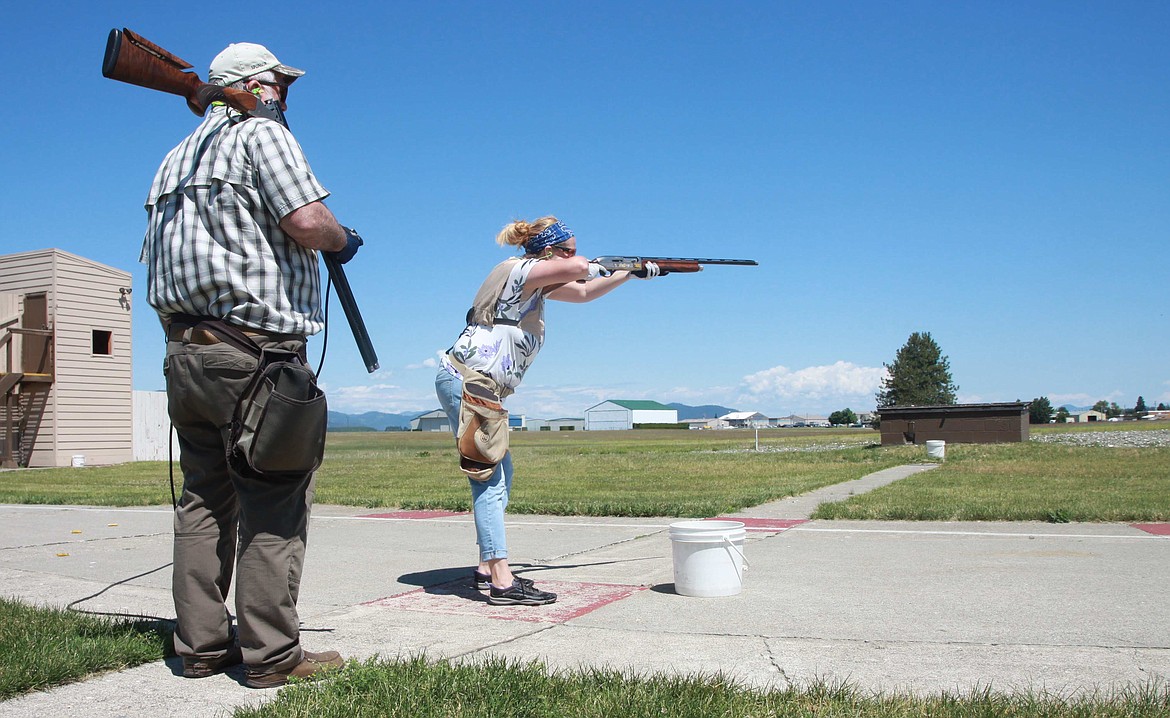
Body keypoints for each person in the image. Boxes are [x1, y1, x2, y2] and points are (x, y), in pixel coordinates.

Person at [140, 42, 361, 689]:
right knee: (275, 501)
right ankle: (272, 656)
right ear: (262, 87)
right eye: (281, 87)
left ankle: (202, 648)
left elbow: (159, 262)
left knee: (205, 499)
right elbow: (306, 218)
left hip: (187, 351)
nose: (287, 97)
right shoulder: (263, 135)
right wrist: (343, 240)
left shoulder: (172, 161)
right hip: (256, 356)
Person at [435, 217, 659, 606]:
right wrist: (615, 263)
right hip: (472, 380)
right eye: (568, 249)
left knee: (501, 472)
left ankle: (488, 567)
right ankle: (502, 581)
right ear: (550, 251)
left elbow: (585, 292)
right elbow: (579, 270)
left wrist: (630, 275)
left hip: (478, 383)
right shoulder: (517, 270)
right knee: (488, 479)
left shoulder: (532, 286)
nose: (575, 256)